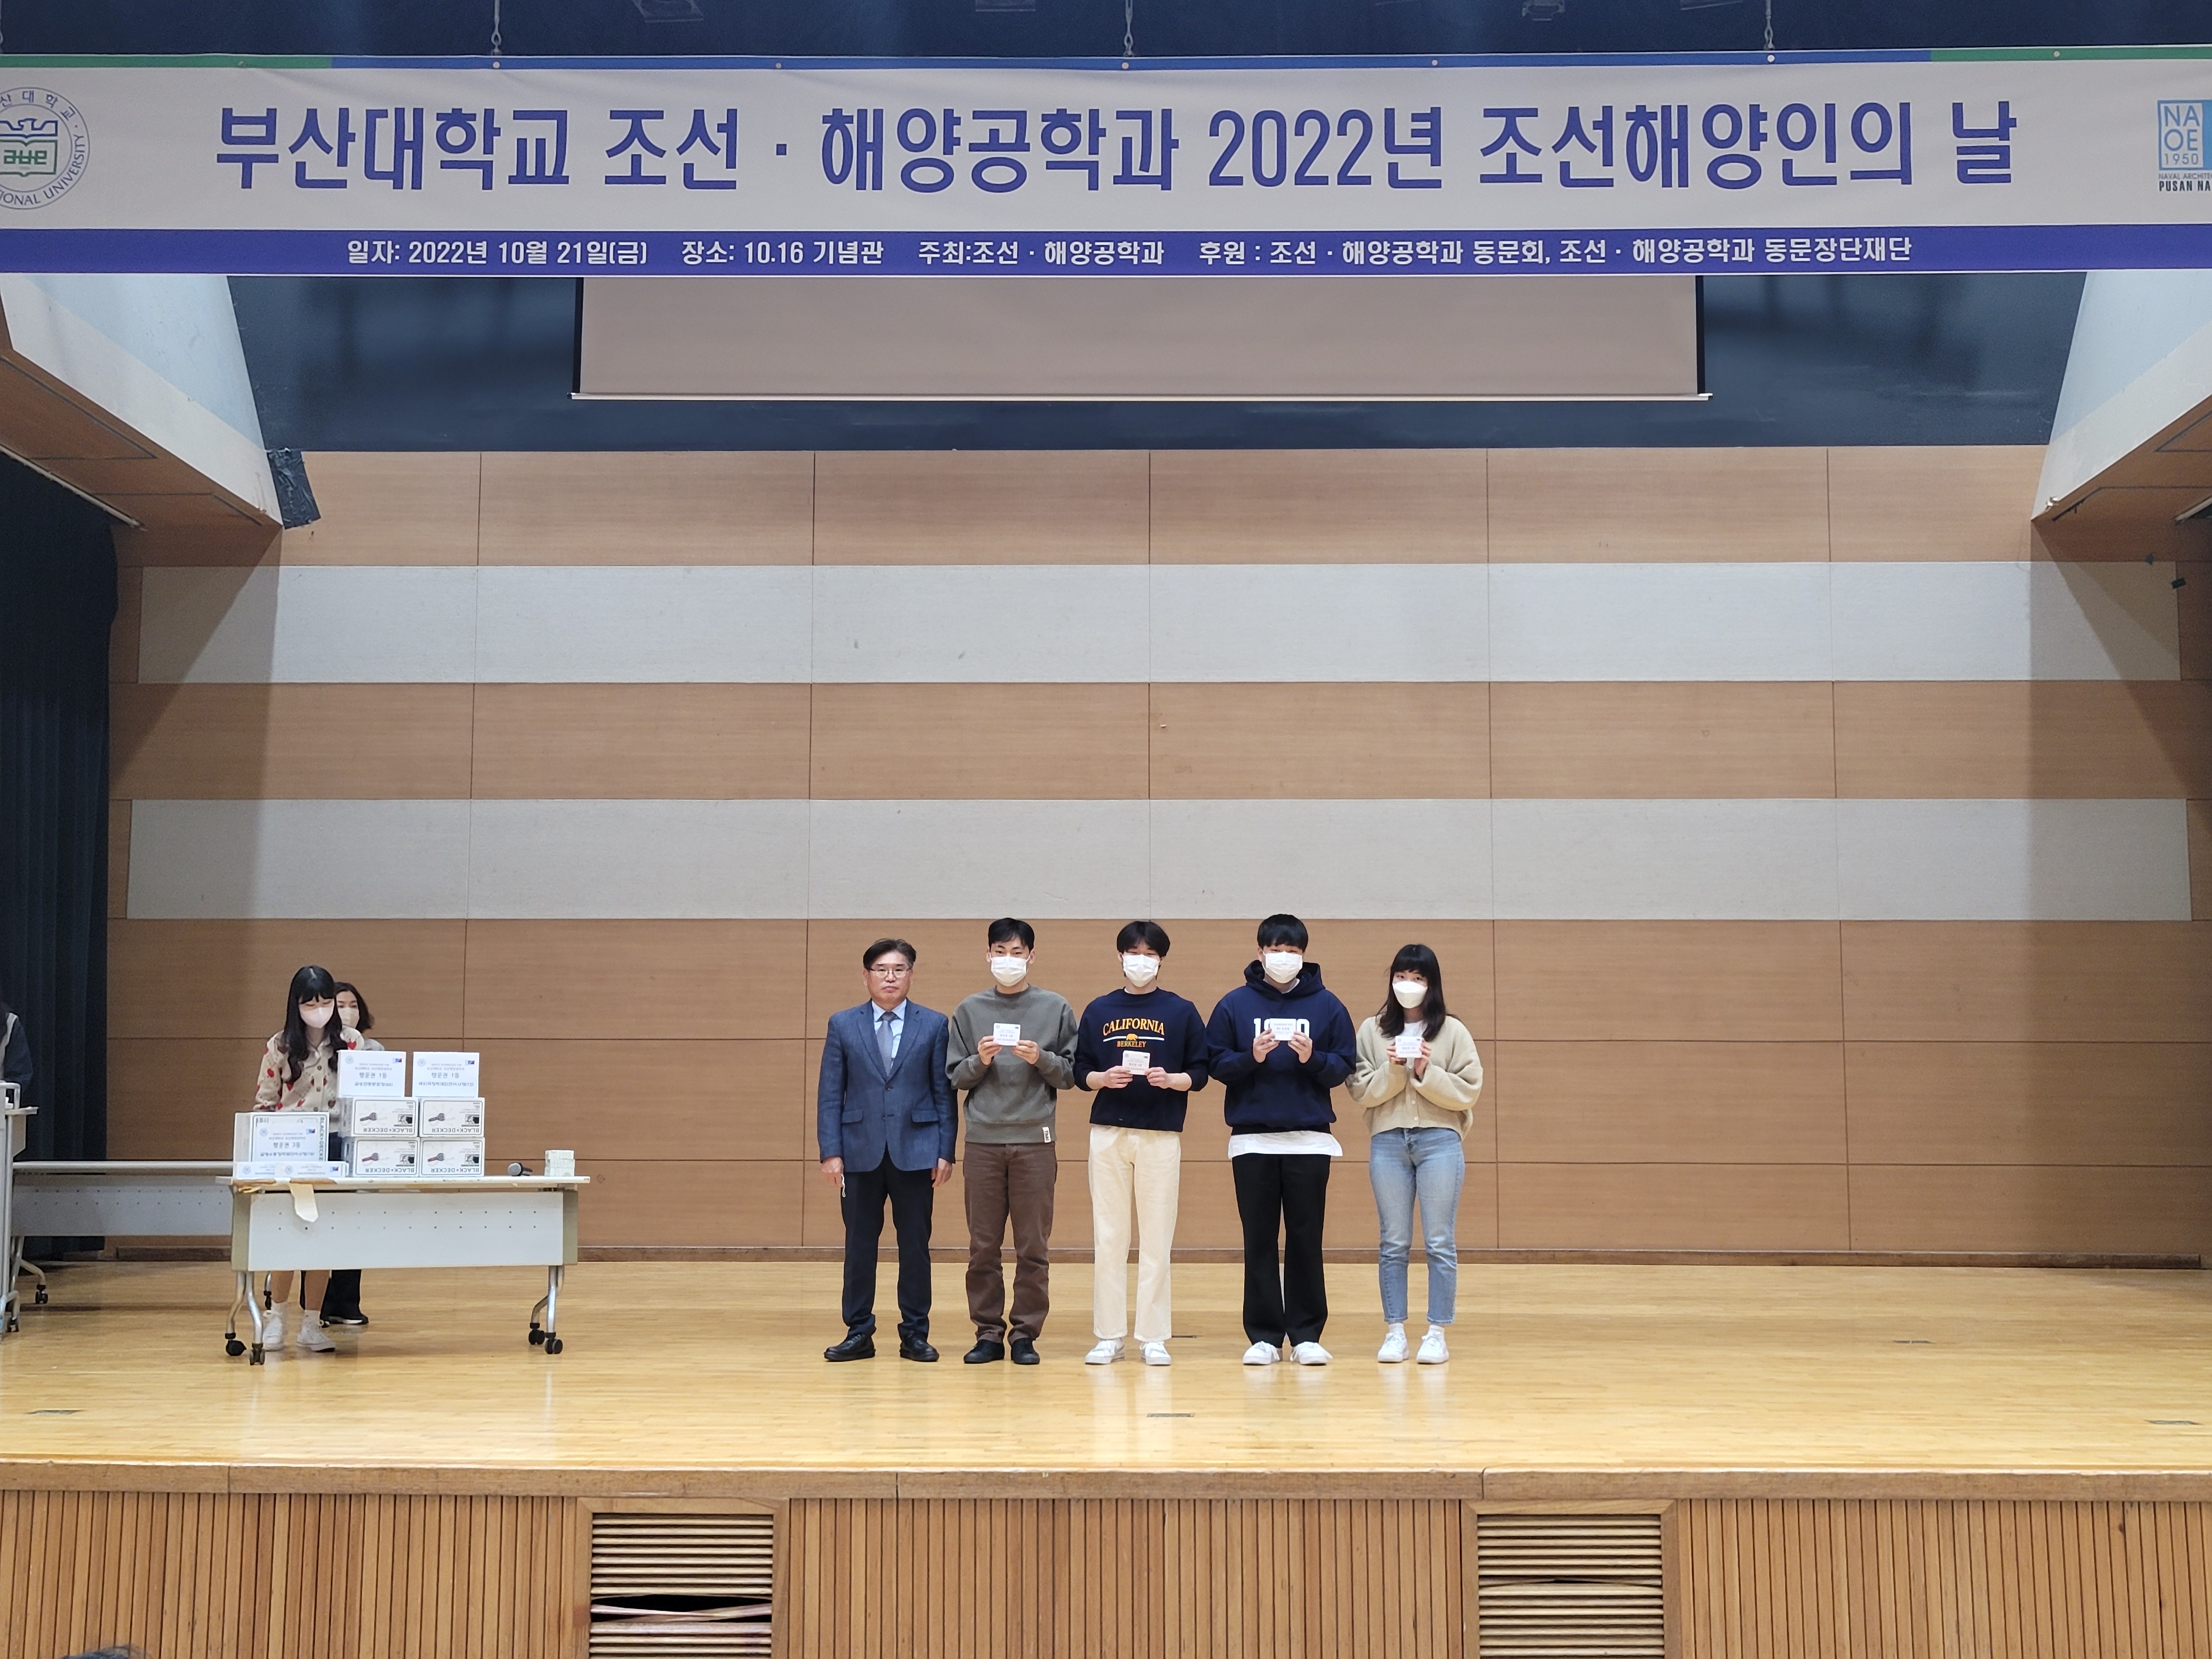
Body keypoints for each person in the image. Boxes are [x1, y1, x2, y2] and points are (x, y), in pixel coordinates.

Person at [1205, 914, 1356, 1368]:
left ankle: (1306, 1335)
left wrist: (1314, 1059)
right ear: (1260, 952)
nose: (1283, 957)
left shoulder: (1328, 1005)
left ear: (1304, 955)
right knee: (1260, 1240)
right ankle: (1265, 1337)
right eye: (1275, 949)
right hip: (1253, 1141)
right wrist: (1251, 1057)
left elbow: (1343, 1066)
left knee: (1307, 1238)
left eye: (1292, 951)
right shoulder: (1235, 1004)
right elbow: (1215, 1064)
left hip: (1309, 1140)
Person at [1073, 921, 1209, 1368]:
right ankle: (1109, 1336)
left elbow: (1201, 1073)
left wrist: (1173, 1080)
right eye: (1134, 953)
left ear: (1161, 960)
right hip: (1108, 1132)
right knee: (1109, 1236)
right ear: (1120, 957)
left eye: (1150, 954)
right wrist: (1101, 1078)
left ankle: (1153, 1336)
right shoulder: (1099, 1009)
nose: (1141, 961)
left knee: (1156, 1237)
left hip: (1161, 1132)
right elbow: (1080, 1070)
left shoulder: (1181, 1010)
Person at [945, 918, 1077, 1367]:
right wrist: (979, 1061)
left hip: (1035, 1141)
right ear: (988, 955)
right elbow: (955, 1076)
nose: (1008, 960)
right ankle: (987, 1333)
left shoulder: (1055, 1007)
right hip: (983, 1142)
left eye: (1016, 952)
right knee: (983, 1246)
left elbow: (1070, 1074)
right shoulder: (969, 1010)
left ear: (1031, 957)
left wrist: (1042, 1058)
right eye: (1000, 952)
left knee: (1033, 1247)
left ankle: (1025, 1334)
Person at [816, 938, 955, 1363]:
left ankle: (915, 1334)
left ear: (911, 975)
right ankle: (859, 1331)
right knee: (859, 1245)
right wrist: (830, 1152)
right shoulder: (843, 1024)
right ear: (866, 977)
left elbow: (944, 1093)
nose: (890, 977)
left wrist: (946, 1150)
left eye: (898, 969)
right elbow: (830, 1094)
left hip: (917, 1149)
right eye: (881, 970)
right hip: (859, 1151)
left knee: (915, 1246)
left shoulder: (934, 1024)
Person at [1345, 945, 1483, 1366]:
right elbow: (1360, 1090)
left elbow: (1468, 1091)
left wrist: (1426, 1071)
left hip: (1440, 1141)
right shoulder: (1372, 1030)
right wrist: (1393, 1070)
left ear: (1432, 983)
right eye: (1402, 976)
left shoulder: (1453, 1031)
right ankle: (1395, 1332)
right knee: (1394, 1241)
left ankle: (1437, 1333)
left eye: (1419, 978)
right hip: (1388, 1142)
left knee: (1439, 1241)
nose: (1409, 985)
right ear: (1392, 980)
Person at [251, 964, 357, 1354]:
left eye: (326, 1002)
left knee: (324, 1241)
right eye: (310, 1003)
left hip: (336, 1146)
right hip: (291, 1147)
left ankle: (312, 1324)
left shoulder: (351, 1043)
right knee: (290, 1236)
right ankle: (276, 1318)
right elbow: (264, 1103)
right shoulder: (280, 1045)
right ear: (296, 1005)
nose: (319, 1010)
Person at [318, 980, 381, 1330]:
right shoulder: (318, 1049)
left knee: (354, 1221)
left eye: (353, 1005)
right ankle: (318, 1302)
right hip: (324, 1139)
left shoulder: (374, 1050)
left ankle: (347, 1300)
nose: (348, 1011)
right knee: (321, 1220)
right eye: (341, 1005)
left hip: (360, 1143)